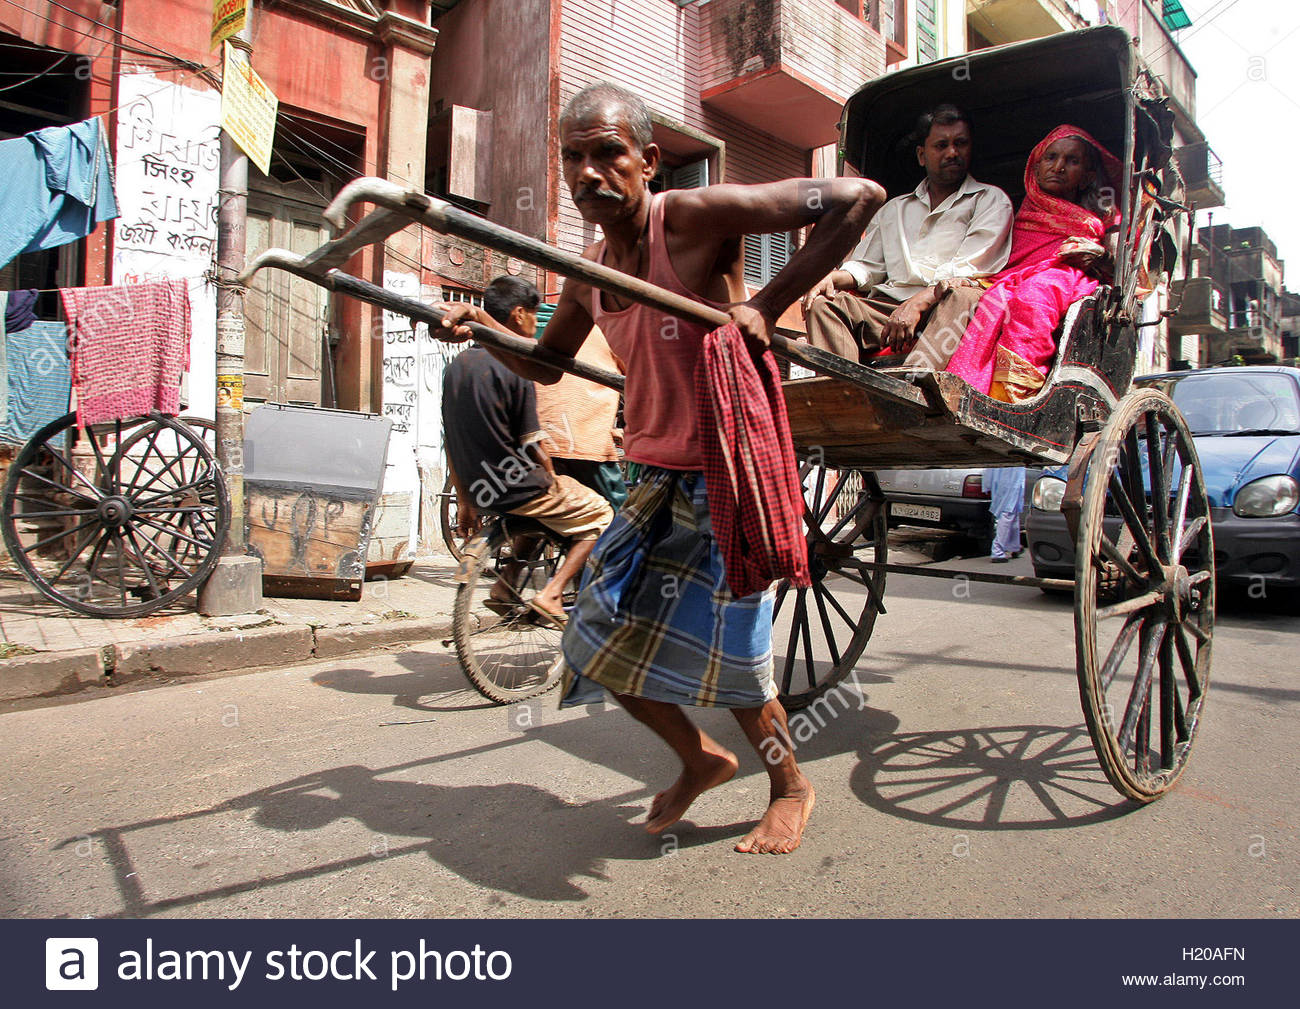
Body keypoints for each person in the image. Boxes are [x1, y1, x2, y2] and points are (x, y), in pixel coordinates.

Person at [438, 81, 884, 854]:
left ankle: (789, 783)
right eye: (572, 158)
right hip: (651, 473)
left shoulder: (692, 217)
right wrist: (481, 327)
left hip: (726, 469)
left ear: (648, 162)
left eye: (607, 153)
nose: (587, 174)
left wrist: (766, 304)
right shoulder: (588, 269)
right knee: (593, 641)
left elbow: (858, 195)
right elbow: (545, 364)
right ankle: (701, 759)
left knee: (740, 665)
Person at [441, 285, 614, 619]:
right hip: (520, 485)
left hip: (482, 490)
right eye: (535, 315)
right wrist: (551, 477)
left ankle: (506, 585)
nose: (537, 324)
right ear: (519, 314)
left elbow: (450, 439)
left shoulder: (457, 367)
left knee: (547, 515)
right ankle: (551, 593)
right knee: (602, 516)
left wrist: (464, 501)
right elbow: (532, 441)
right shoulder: (518, 366)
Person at [801, 104, 1013, 370]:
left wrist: (919, 302)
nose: (952, 152)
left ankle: (914, 388)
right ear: (922, 155)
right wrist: (831, 277)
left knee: (965, 295)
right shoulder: (894, 208)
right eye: (941, 145)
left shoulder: (990, 200)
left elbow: (968, 270)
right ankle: (848, 394)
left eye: (960, 144)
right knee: (823, 304)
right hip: (885, 307)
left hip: (944, 306)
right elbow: (867, 267)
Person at [945, 125, 1122, 402]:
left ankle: (1013, 394)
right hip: (1010, 279)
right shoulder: (1018, 216)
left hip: (1067, 278)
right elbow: (999, 260)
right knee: (991, 299)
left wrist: (1096, 254)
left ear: (1087, 176)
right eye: (1051, 158)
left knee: (1034, 295)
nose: (1059, 167)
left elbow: (1116, 272)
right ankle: (967, 387)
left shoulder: (1103, 220)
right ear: (1036, 169)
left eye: (1072, 161)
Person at [983, 466, 1026, 563]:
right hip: (1010, 479)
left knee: (1013, 513)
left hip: (1007, 479)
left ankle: (1014, 546)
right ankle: (997, 551)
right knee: (1008, 513)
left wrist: (987, 484)